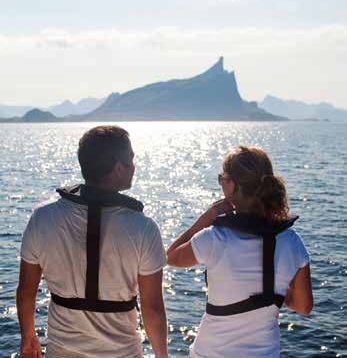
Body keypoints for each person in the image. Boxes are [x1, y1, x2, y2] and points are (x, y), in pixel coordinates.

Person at [17, 125, 168, 358]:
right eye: (131, 158)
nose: (134, 165)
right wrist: (162, 355)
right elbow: (153, 309)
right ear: (119, 167)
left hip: (61, 351)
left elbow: (27, 290)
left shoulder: (42, 219)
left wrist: (28, 336)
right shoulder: (143, 228)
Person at [167, 146, 313, 358]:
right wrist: (271, 289)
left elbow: (170, 257)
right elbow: (303, 306)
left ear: (232, 185)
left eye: (222, 178)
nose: (220, 183)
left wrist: (208, 217)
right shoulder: (293, 242)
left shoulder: (215, 238)